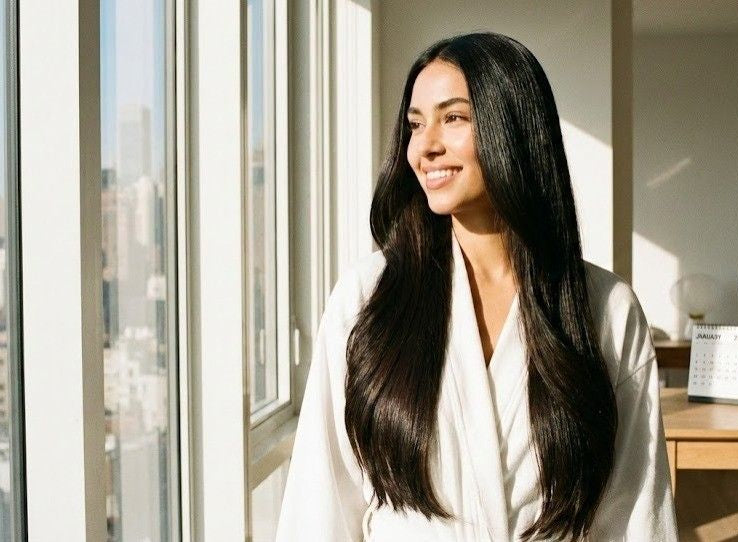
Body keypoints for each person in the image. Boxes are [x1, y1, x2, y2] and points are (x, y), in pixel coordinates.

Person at [275, 32, 677, 542]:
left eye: (454, 117)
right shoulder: (366, 298)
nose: (425, 145)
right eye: (415, 124)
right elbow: (321, 502)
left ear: (514, 129)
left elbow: (637, 512)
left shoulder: (606, 309)